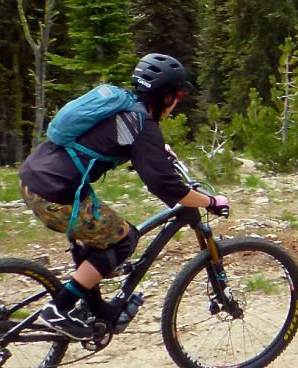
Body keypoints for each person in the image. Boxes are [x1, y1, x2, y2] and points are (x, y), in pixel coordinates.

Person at [19, 52, 229, 340]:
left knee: (99, 240)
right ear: (166, 96)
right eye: (179, 95)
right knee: (123, 239)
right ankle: (58, 309)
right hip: (57, 193)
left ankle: (97, 311)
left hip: (34, 177)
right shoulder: (143, 125)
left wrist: (157, 150)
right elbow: (166, 186)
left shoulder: (124, 105)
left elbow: (111, 138)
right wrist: (211, 201)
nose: (178, 103)